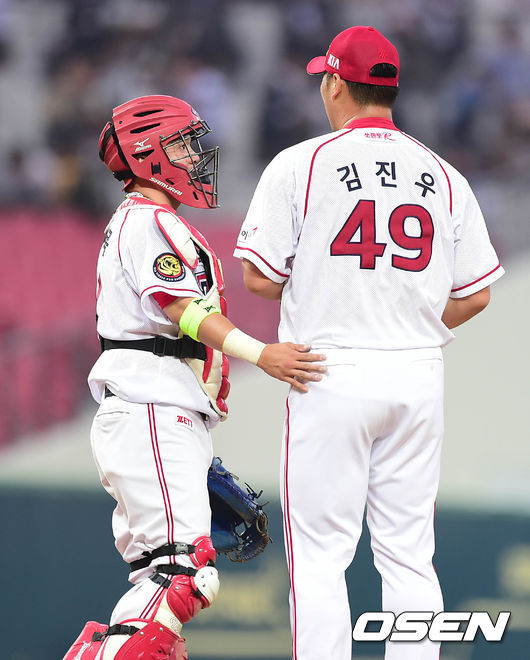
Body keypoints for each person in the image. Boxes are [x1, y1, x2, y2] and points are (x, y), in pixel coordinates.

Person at [234, 26, 505, 660]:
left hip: (327, 369)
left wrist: (330, 283)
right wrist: (413, 322)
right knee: (409, 554)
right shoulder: (444, 173)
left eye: (323, 79)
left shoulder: (302, 163)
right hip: (416, 372)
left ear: (335, 84)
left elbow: (259, 278)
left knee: (320, 557)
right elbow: (477, 294)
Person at [62, 95, 326, 660]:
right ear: (147, 153)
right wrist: (262, 353)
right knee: (184, 573)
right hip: (151, 406)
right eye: (182, 144)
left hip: (156, 409)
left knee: (165, 581)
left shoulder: (142, 220)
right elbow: (183, 309)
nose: (195, 155)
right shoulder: (148, 220)